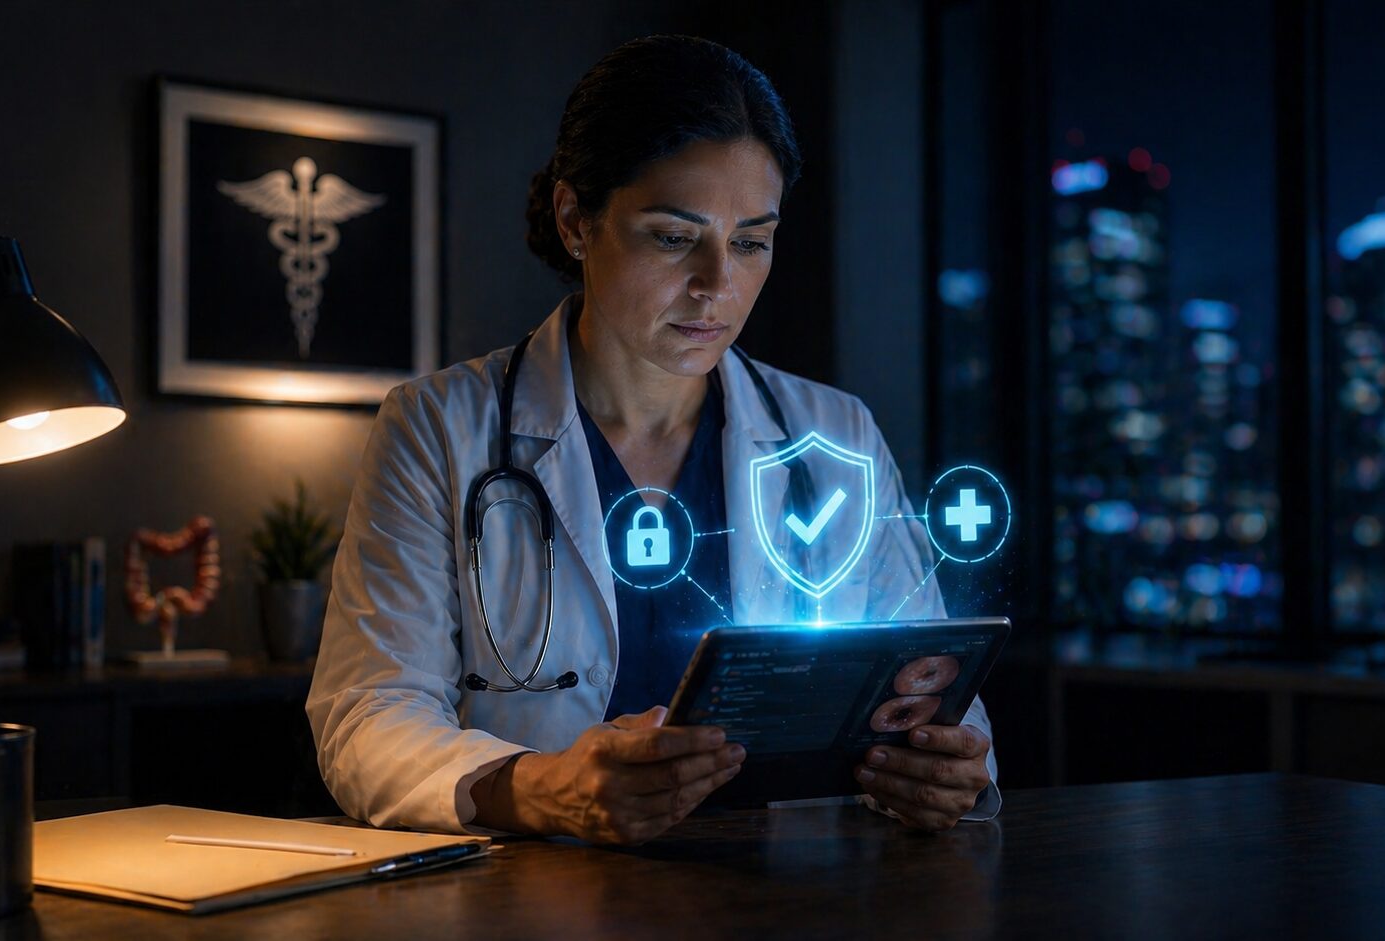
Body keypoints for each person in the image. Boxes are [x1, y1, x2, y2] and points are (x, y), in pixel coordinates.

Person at [306, 34, 999, 845]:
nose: (718, 284)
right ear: (575, 219)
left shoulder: (831, 434)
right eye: (674, 238)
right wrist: (538, 787)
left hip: (790, 895)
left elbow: (939, 689)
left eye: (751, 241)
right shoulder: (439, 428)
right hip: (536, 899)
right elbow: (367, 716)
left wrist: (948, 766)